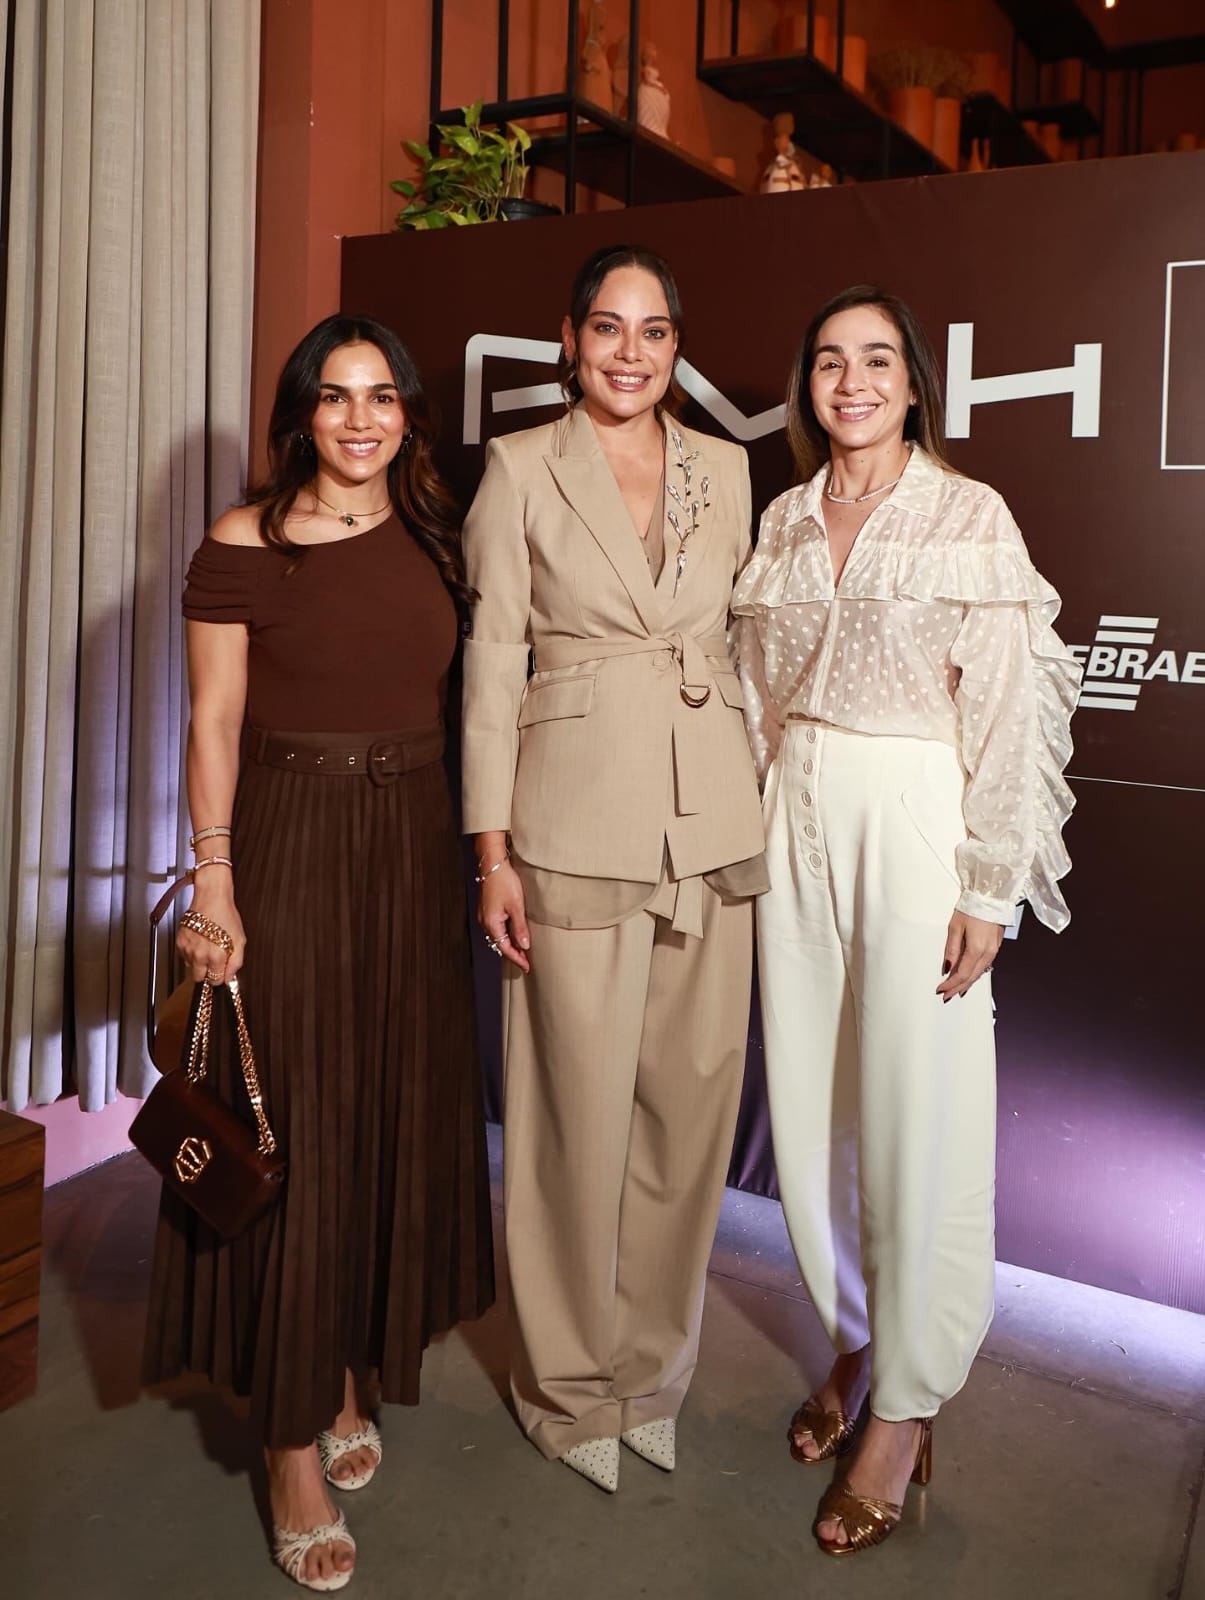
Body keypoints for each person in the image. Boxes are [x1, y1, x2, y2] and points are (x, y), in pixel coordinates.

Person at [142, 314, 494, 1591]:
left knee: (372, 1114)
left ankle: (343, 1367)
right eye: (336, 396)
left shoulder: (438, 530)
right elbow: (212, 719)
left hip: (409, 847)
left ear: (407, 413)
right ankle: (289, 1443)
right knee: (285, 1119)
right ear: (300, 412)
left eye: (382, 396)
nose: (360, 419)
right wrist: (214, 877)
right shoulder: (244, 541)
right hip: (288, 838)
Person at [731, 285, 1080, 1556]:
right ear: (806, 385)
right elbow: (753, 694)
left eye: (875, 360)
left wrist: (987, 884)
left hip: (915, 814)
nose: (851, 382)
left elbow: (1007, 709)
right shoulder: (782, 517)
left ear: (914, 383)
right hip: (794, 810)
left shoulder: (966, 512)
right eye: (828, 360)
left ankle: (907, 1403)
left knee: (917, 1107)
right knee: (814, 1102)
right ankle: (856, 1341)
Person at [461, 244, 766, 1493]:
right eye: (605, 328)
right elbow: (492, 661)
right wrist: (490, 849)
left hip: (711, 825)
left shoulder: (726, 468)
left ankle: (650, 1371)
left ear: (675, 347)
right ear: (569, 339)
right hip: (570, 820)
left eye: (651, 332)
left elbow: (747, 641)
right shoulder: (519, 466)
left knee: (687, 1116)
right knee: (567, 1121)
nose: (627, 353)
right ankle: (566, 1384)